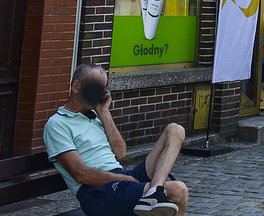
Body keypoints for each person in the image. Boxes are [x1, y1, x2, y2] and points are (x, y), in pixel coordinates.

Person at [43, 64, 188, 216]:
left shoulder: (95, 117)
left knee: (175, 130)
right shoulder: (57, 124)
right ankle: (154, 193)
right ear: (76, 86)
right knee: (178, 190)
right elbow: (81, 174)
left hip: (119, 181)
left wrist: (104, 113)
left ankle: (154, 191)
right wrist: (123, 178)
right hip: (98, 193)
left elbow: (120, 154)